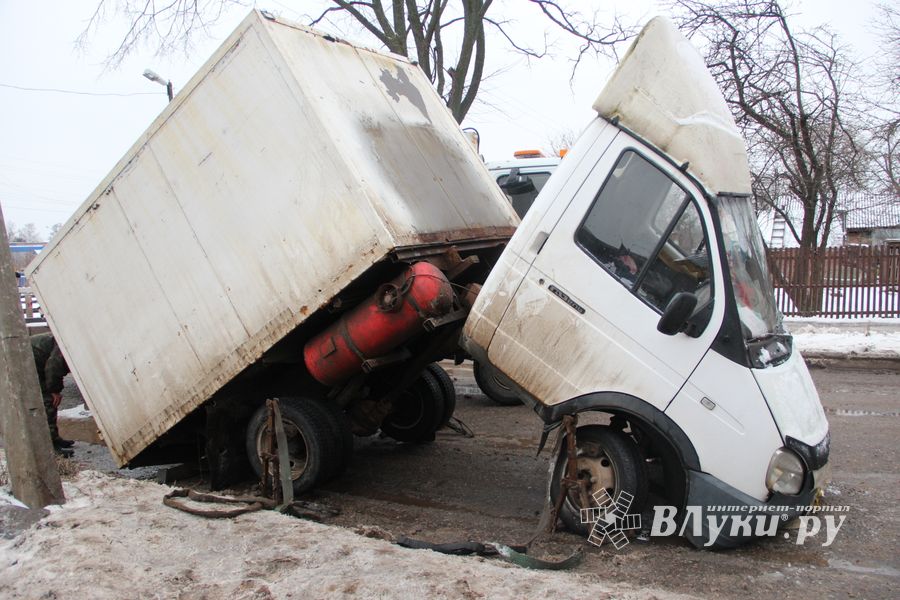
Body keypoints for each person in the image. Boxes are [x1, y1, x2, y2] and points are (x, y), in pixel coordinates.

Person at [30, 332, 74, 456]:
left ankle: (53, 437)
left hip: (36, 365)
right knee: (48, 401)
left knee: (49, 401)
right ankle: (50, 446)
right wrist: (54, 390)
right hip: (27, 365)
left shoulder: (67, 339)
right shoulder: (66, 344)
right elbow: (53, 367)